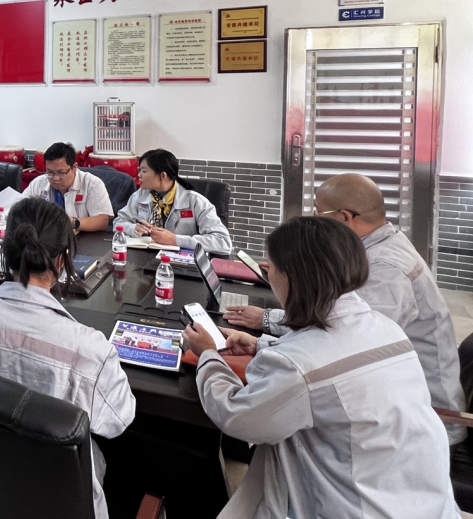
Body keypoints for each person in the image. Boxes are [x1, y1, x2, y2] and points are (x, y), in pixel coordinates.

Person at [184, 217, 458, 518]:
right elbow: (332, 363)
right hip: (423, 500)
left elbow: (238, 417)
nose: (267, 273)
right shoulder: (386, 328)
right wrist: (261, 345)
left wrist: (208, 355)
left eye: (270, 268)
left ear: (292, 278)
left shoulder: (299, 366)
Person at [224, 173, 466, 445]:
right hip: (378, 398)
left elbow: (342, 342)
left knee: (268, 415)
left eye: (318, 213)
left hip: (415, 423)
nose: (314, 220)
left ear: (344, 217)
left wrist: (265, 325)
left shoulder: (386, 268)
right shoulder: (375, 247)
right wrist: (262, 342)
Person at [0, 197, 135, 519]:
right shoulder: (89, 349)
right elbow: (118, 421)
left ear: (6, 251)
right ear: (62, 260)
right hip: (59, 501)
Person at [113, 148, 232, 255]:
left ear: (162, 176)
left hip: (181, 263)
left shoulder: (196, 201)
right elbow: (118, 222)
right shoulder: (139, 195)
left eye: (144, 171)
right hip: (143, 258)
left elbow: (223, 242)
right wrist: (133, 228)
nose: (139, 175)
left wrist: (176, 240)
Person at [20, 142, 113, 232]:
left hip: (82, 238)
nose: (55, 178)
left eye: (61, 172)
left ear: (74, 167)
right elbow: (20, 209)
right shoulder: (38, 183)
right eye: (50, 172)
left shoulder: (92, 184)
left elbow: (102, 221)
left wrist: (72, 223)